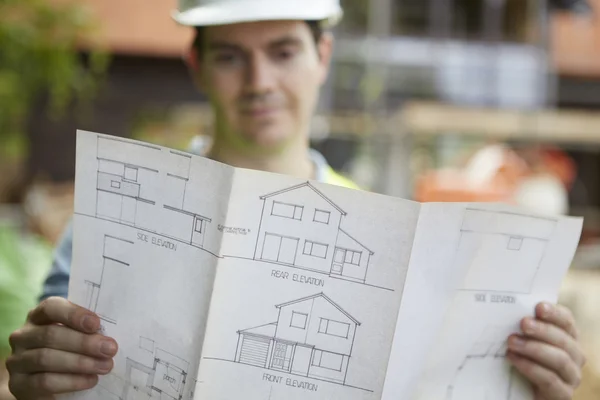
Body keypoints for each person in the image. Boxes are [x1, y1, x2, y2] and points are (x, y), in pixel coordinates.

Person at [4, 0, 586, 399]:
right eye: (231, 55)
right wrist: (36, 381)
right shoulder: (120, 215)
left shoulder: (389, 233)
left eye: (282, 51)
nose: (259, 82)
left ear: (323, 57)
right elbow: (48, 381)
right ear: (197, 67)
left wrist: (521, 383)